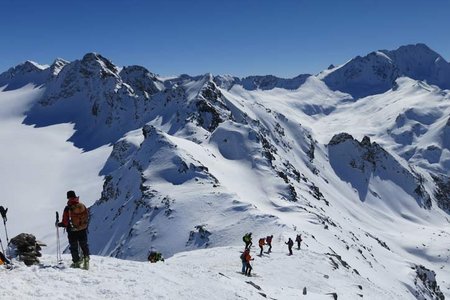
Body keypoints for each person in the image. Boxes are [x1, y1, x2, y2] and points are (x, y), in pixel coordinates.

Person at [57, 190, 90, 269]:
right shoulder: (82, 206)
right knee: (84, 245)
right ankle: (86, 261)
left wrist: (59, 224)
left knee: (74, 247)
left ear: (69, 197)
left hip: (72, 230)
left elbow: (65, 222)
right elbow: (86, 216)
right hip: (82, 229)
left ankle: (76, 262)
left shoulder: (68, 208)